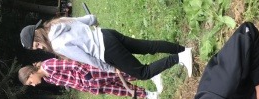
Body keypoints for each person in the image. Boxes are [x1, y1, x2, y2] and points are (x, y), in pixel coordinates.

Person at [20, 15, 193, 82]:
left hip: (106, 50)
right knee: (147, 47)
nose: (40, 47)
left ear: (37, 35)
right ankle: (184, 49)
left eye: (37, 44)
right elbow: (90, 18)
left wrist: (110, 68)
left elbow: (88, 58)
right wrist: (92, 30)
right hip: (106, 34)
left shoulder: (57, 44)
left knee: (143, 73)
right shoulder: (58, 23)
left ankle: (181, 58)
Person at [18, 58, 161, 99]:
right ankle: (150, 95)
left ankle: (152, 74)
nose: (34, 85)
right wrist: (89, 87)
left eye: (30, 82)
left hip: (92, 74)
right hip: (92, 85)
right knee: (121, 89)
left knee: (123, 74)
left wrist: (87, 76)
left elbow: (72, 64)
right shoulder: (48, 79)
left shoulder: (49, 65)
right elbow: (71, 81)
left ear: (31, 74)